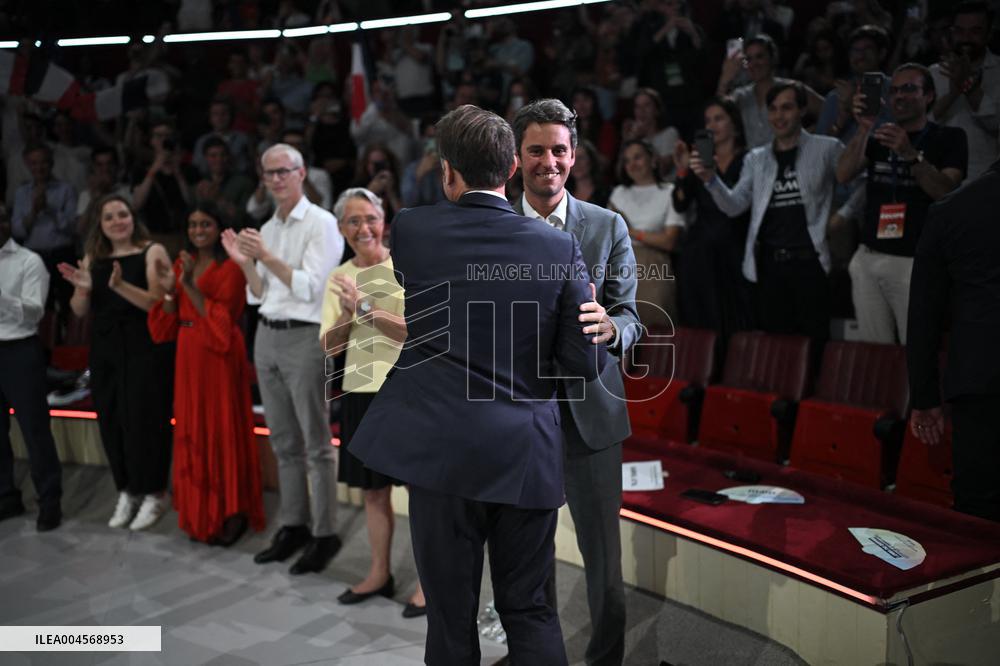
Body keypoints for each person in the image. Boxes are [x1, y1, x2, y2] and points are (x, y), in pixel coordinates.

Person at [348, 105, 606, 665]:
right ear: (513, 167)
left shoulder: (414, 230)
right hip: (524, 451)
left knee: (449, 614)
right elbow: (582, 363)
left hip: (440, 455)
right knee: (530, 610)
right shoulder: (558, 247)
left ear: (447, 172)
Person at [512, 98, 640, 666]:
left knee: (605, 569)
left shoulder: (607, 225)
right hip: (514, 418)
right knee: (521, 564)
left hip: (591, 417)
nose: (549, 161)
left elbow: (632, 316)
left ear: (574, 155)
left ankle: (604, 659)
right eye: (536, 150)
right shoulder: (493, 226)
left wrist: (613, 327)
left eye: (558, 150)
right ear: (516, 159)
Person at [222, 143, 344, 575]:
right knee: (284, 442)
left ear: (301, 172)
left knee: (315, 444)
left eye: (283, 171)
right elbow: (259, 293)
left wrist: (264, 256)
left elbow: (310, 287)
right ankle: (294, 524)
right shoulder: (268, 227)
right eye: (269, 173)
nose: (275, 179)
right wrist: (244, 263)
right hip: (268, 336)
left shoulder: (322, 223)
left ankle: (325, 532)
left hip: (304, 337)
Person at [320, 187, 425, 617]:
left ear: (384, 221)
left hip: (406, 390)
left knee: (422, 495)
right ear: (342, 228)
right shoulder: (339, 275)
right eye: (353, 221)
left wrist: (364, 307)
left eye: (370, 219)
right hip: (360, 392)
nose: (363, 228)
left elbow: (416, 331)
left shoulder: (406, 266)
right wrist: (347, 314)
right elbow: (329, 347)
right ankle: (379, 572)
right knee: (374, 493)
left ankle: (429, 583)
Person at [692, 82, 844, 348]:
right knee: (778, 347)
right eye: (773, 109)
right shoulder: (756, 158)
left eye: (787, 107)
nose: (779, 116)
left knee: (817, 345)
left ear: (802, 110)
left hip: (812, 263)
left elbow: (858, 183)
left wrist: (843, 215)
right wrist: (711, 179)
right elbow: (735, 205)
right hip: (770, 266)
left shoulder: (828, 148)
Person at [148, 203, 265, 545]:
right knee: (194, 430)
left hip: (219, 355)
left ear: (219, 228)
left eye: (206, 224)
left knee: (222, 429)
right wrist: (172, 289)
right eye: (193, 224)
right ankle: (201, 511)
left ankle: (231, 511)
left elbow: (221, 326)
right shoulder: (182, 262)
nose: (198, 230)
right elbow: (165, 324)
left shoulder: (230, 268)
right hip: (187, 352)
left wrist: (189, 286)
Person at [57, 195, 174, 531]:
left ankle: (154, 491)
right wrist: (81, 289)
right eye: (109, 217)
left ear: (132, 218)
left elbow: (155, 302)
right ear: (101, 224)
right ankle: (127, 489)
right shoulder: (95, 256)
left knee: (144, 419)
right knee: (110, 417)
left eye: (123, 214)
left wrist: (120, 285)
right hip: (106, 344)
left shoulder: (151, 250)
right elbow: (80, 311)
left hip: (144, 343)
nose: (117, 221)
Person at [836, 63, 966, 344]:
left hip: (915, 264)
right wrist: (863, 129)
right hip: (869, 258)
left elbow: (945, 192)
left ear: (929, 96)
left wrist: (910, 154)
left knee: (917, 353)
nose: (899, 96)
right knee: (874, 356)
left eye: (909, 89)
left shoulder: (950, 138)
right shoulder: (879, 137)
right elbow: (843, 174)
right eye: (893, 90)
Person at [907, 157, 1000, 522]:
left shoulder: (953, 209)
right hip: (979, 382)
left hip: (979, 380)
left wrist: (925, 397)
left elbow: (923, 316)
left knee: (977, 515)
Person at [672, 97, 754, 353]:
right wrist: (683, 171)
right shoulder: (702, 160)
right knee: (702, 313)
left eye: (719, 119)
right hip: (702, 247)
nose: (712, 125)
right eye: (708, 120)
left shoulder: (750, 159)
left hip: (736, 244)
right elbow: (681, 205)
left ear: (735, 124)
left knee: (736, 315)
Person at [0, 209, 62, 532]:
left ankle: (50, 502)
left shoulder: (28, 261)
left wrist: (2, 297)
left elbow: (35, 312)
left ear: (8, 223)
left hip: (20, 350)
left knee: (35, 430)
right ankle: (6, 497)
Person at [609, 139, 685, 328]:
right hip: (620, 268)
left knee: (657, 331)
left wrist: (630, 231)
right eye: (627, 160)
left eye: (638, 157)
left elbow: (669, 241)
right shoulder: (619, 192)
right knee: (621, 333)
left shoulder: (669, 192)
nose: (632, 164)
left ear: (653, 160)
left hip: (654, 269)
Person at [930, 1, 1000, 182]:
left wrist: (967, 85)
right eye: (959, 31)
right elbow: (921, 125)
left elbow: (996, 123)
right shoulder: (934, 73)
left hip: (985, 178)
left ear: (989, 32)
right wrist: (952, 94)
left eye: (975, 31)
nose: (966, 38)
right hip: (938, 179)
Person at [718, 34, 824, 148]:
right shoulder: (740, 95)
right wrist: (725, 79)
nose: (754, 64)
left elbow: (829, 109)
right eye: (749, 59)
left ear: (772, 58)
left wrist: (808, 137)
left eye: (759, 56)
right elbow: (717, 115)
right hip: (753, 163)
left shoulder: (791, 88)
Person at [11, 143, 78, 321]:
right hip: (34, 257)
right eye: (34, 163)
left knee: (68, 304)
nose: (39, 167)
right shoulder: (21, 192)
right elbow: (17, 231)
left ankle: (69, 346)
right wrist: (34, 210)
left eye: (43, 162)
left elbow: (72, 228)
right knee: (39, 307)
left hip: (62, 254)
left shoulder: (66, 189)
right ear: (27, 165)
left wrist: (49, 209)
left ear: (51, 163)